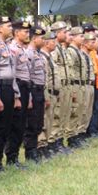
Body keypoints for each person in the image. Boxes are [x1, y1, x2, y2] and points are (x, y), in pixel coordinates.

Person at [0, 16, 18, 173]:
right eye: (8, 25)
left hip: (8, 88)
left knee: (6, 126)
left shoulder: (5, 45)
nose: (11, 28)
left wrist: (16, 94)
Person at [6, 21, 32, 166]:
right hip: (18, 88)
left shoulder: (23, 50)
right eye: (25, 32)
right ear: (16, 33)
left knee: (21, 124)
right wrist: (17, 95)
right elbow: (13, 74)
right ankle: (10, 157)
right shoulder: (13, 49)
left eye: (28, 32)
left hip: (26, 87)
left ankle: (15, 156)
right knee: (15, 125)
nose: (27, 34)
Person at [25, 26, 46, 162]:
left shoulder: (38, 54)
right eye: (41, 38)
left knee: (38, 122)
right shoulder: (29, 53)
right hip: (32, 90)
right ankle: (30, 152)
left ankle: (34, 149)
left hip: (40, 90)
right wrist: (30, 96)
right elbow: (28, 76)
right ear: (34, 38)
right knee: (31, 123)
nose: (43, 40)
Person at [50, 21, 71, 151]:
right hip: (58, 86)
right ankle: (53, 143)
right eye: (64, 32)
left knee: (63, 114)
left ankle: (59, 140)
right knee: (56, 115)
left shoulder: (61, 48)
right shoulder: (54, 49)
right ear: (57, 33)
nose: (66, 34)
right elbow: (53, 69)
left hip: (65, 86)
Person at [38, 31, 58, 159]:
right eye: (52, 41)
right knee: (44, 120)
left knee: (50, 120)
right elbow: (44, 80)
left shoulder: (49, 57)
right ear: (45, 42)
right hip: (47, 93)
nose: (54, 44)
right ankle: (41, 146)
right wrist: (45, 96)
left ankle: (46, 144)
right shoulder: (43, 57)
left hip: (53, 93)